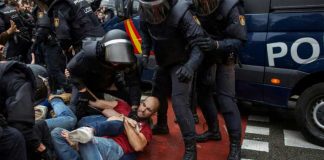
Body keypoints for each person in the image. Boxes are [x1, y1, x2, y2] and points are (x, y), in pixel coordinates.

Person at [139, 0, 206, 159]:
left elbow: (199, 44)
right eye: (150, 9)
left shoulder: (181, 12)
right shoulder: (144, 13)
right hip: (163, 62)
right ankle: (162, 125)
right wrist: (144, 55)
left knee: (179, 102)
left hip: (181, 62)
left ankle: (191, 149)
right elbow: (146, 37)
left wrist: (190, 66)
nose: (154, 13)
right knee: (157, 95)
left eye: (157, 9)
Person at [191, 0, 247, 159]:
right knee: (202, 94)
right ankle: (214, 131)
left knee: (226, 100)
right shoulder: (194, 4)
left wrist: (216, 44)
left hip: (225, 53)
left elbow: (240, 40)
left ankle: (235, 146)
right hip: (206, 52)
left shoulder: (231, 6)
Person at [51, 96, 159, 160]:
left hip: (114, 146)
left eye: (148, 109)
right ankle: (84, 135)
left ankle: (86, 133)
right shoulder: (125, 107)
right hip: (98, 139)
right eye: (143, 105)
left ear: (153, 114)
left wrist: (124, 121)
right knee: (56, 133)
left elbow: (138, 146)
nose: (143, 110)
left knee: (87, 140)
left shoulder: (146, 129)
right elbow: (104, 108)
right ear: (140, 103)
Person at [67, 29, 141, 120]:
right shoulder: (89, 53)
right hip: (84, 82)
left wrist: (134, 108)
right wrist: (83, 91)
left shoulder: (129, 60)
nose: (116, 61)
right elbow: (71, 71)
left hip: (107, 80)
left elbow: (134, 83)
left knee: (130, 101)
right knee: (75, 110)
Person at [0, 61, 50, 160]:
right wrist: (42, 149)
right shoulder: (21, 82)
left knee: (40, 125)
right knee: (14, 138)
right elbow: (20, 125)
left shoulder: (7, 74)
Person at [33, 0, 105, 55]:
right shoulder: (76, 2)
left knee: (72, 70)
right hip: (102, 39)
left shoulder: (59, 7)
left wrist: (64, 48)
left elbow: (63, 36)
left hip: (86, 45)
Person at [30, 6, 70, 93]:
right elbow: (56, 24)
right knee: (55, 68)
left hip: (51, 44)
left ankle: (69, 88)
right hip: (56, 41)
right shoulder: (52, 8)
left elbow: (42, 29)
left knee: (53, 69)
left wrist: (33, 46)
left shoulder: (41, 9)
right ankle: (55, 90)